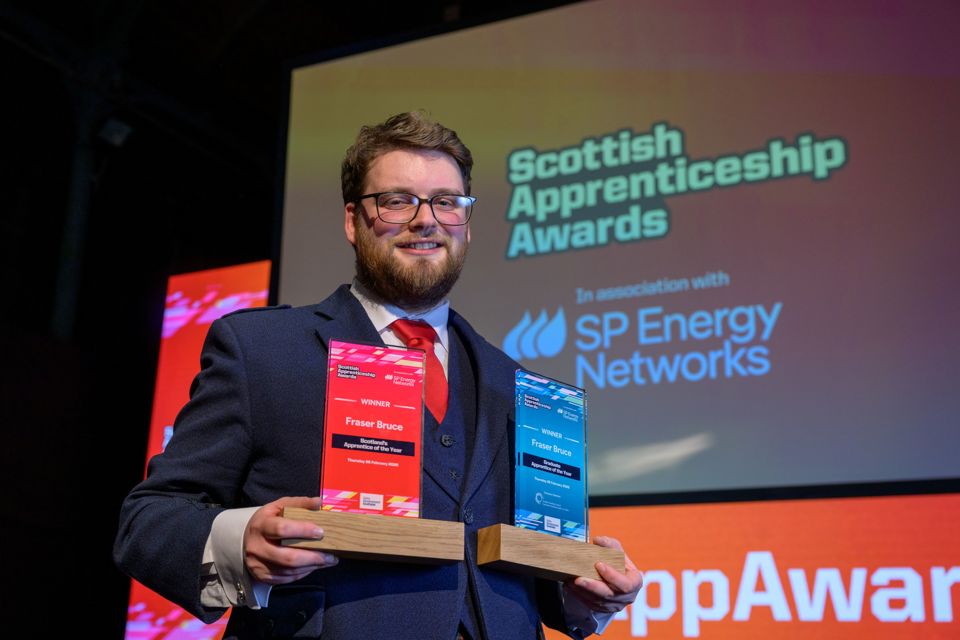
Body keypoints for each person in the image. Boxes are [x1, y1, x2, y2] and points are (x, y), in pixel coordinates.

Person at [114, 111, 643, 639]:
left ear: (465, 224)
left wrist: (586, 595)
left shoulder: (515, 384)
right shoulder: (262, 352)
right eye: (397, 201)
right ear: (352, 221)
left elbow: (520, 579)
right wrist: (240, 539)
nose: (426, 220)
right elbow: (148, 520)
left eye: (446, 203)